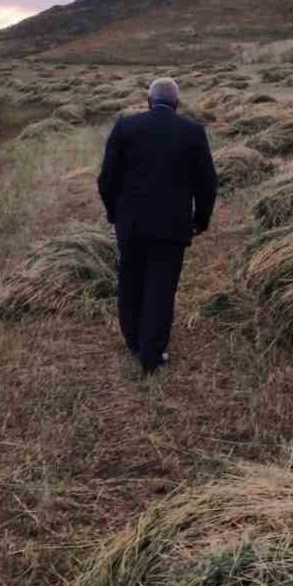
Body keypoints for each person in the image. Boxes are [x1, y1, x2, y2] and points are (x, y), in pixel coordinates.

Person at [97, 77, 218, 376]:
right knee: (161, 286)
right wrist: (200, 220)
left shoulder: (125, 127)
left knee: (130, 281)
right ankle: (151, 353)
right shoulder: (192, 131)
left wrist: (114, 213)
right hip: (173, 225)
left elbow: (106, 179)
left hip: (131, 224)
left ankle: (134, 341)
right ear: (177, 103)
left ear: (148, 101)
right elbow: (208, 184)